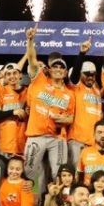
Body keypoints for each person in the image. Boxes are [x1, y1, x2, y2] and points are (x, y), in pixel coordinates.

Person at [23, 28, 75, 184]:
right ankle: (33, 203)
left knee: (59, 174)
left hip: (57, 138)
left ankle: (57, 205)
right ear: (50, 70)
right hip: (35, 136)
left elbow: (70, 118)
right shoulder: (39, 80)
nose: (58, 69)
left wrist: (63, 119)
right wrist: (30, 41)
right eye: (56, 67)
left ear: (65, 73)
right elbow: (32, 59)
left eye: (62, 67)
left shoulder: (69, 94)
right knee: (30, 172)